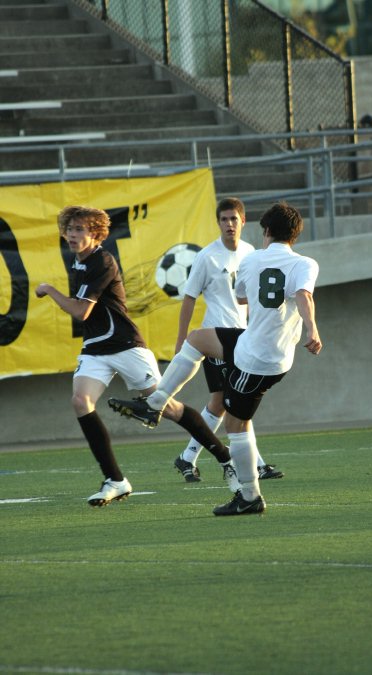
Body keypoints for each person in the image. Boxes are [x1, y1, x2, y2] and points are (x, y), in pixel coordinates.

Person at [109, 202, 322, 516]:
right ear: (295, 234)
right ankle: (155, 405)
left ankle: (249, 497)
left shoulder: (250, 259)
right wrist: (312, 330)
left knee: (236, 423)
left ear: (265, 231)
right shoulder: (306, 264)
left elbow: (241, 296)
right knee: (197, 339)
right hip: (263, 349)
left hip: (257, 360)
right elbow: (303, 296)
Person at [35, 205, 239, 507]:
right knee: (80, 401)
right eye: (70, 229)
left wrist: (48, 289)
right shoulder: (78, 262)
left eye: (81, 229)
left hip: (126, 346)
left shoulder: (102, 260)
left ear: (95, 233)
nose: (73, 235)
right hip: (95, 348)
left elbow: (81, 311)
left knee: (168, 408)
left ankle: (226, 459)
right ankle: (115, 480)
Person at [173, 196, 284, 483]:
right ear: (218, 223)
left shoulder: (251, 253)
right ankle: (256, 465)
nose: (229, 224)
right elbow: (188, 299)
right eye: (224, 219)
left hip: (243, 340)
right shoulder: (207, 257)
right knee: (228, 402)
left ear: (243, 221)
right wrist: (182, 340)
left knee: (228, 403)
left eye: (234, 218)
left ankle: (187, 457)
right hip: (216, 340)